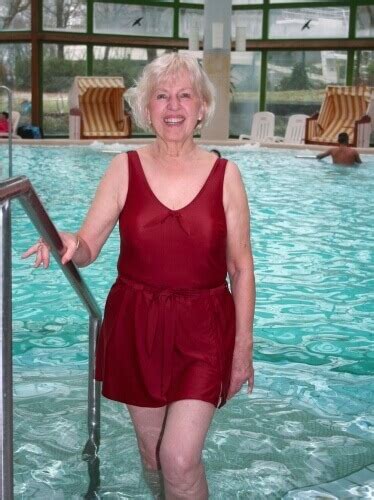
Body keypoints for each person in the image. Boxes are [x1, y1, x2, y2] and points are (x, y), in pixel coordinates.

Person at [23, 52, 255, 499]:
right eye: (161, 97)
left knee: (179, 458)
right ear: (146, 108)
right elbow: (88, 246)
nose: (173, 107)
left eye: (185, 96)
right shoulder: (123, 168)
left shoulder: (226, 176)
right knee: (152, 456)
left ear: (202, 107)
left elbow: (241, 268)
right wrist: (67, 240)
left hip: (204, 327)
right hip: (137, 324)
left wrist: (242, 349)